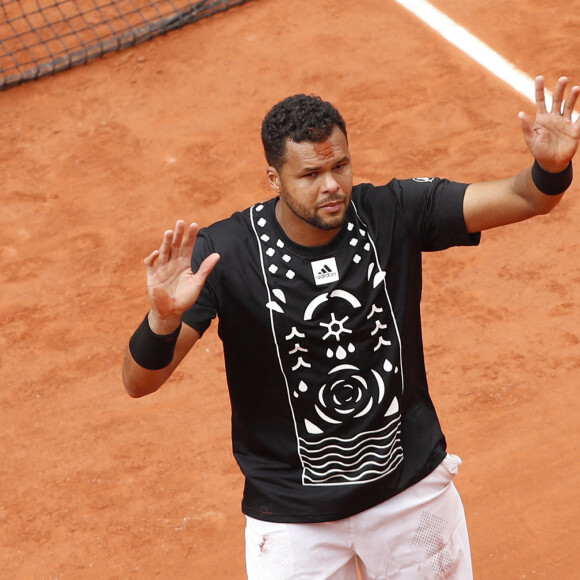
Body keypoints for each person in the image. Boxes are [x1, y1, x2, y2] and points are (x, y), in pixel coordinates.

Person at [123, 75, 579, 579]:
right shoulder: (225, 254)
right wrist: (162, 321)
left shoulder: (394, 211)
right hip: (293, 515)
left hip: (407, 492)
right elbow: (139, 382)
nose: (332, 185)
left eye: (340, 165)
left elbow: (526, 197)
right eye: (310, 174)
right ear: (274, 179)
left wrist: (549, 169)